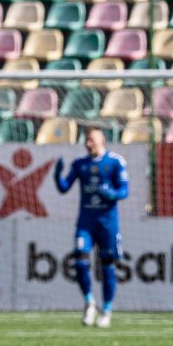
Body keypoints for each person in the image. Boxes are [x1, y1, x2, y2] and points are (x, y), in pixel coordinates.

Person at [53, 127, 129, 328]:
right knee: (79, 260)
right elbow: (63, 188)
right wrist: (57, 175)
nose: (88, 144)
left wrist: (112, 194)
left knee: (108, 267)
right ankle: (89, 302)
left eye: (92, 140)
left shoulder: (115, 162)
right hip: (86, 221)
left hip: (107, 222)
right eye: (86, 140)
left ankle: (107, 310)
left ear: (102, 140)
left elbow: (124, 191)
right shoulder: (80, 164)